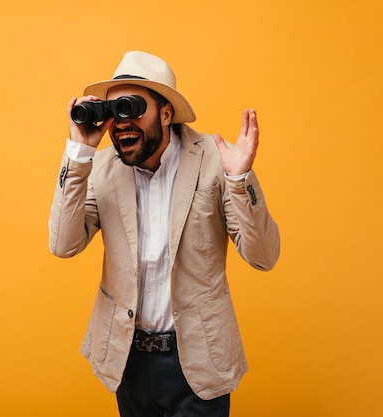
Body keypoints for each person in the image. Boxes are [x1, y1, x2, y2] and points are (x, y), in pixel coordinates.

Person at [49, 51, 280, 417]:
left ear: (166, 113)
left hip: (198, 359)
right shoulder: (101, 168)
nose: (121, 122)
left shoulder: (215, 161)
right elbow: (63, 244)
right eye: (113, 111)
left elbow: (264, 256)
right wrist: (79, 153)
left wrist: (239, 181)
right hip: (128, 359)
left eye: (132, 107)